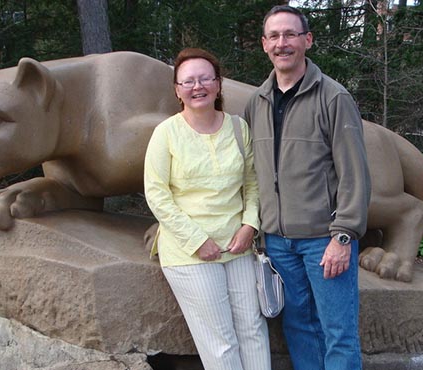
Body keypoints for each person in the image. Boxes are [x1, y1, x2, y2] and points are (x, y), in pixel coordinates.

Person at [244, 5, 371, 370]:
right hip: (278, 243)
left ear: (307, 40)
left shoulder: (333, 97)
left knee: (338, 331)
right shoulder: (257, 102)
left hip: (324, 240)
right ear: (264, 44)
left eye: (290, 35)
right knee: (299, 327)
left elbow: (355, 174)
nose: (282, 43)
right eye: (274, 36)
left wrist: (343, 236)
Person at [144, 47, 271, 370]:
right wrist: (197, 240)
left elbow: (252, 184)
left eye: (204, 79)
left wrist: (250, 225)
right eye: (187, 81)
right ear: (177, 90)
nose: (196, 86)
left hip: (237, 245)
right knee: (220, 340)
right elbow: (157, 195)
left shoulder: (238, 128)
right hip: (189, 252)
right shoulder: (166, 133)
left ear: (218, 84)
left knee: (253, 329)